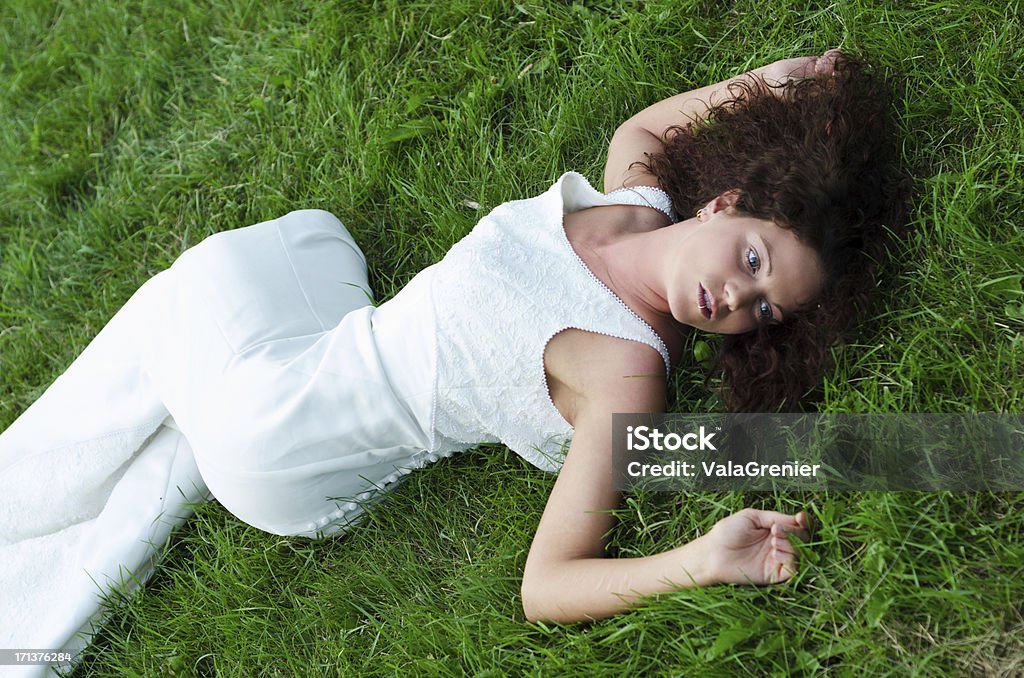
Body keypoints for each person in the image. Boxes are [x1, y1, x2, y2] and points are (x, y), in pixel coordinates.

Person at [0, 48, 907, 671]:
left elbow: (545, 588)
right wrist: (779, 81)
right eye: (752, 260)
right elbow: (648, 125)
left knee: (232, 270)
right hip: (305, 429)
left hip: (273, 443)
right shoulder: (639, 195)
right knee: (320, 246)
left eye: (763, 310)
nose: (736, 303)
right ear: (724, 203)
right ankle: (168, 447)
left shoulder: (628, 373)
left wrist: (701, 558)